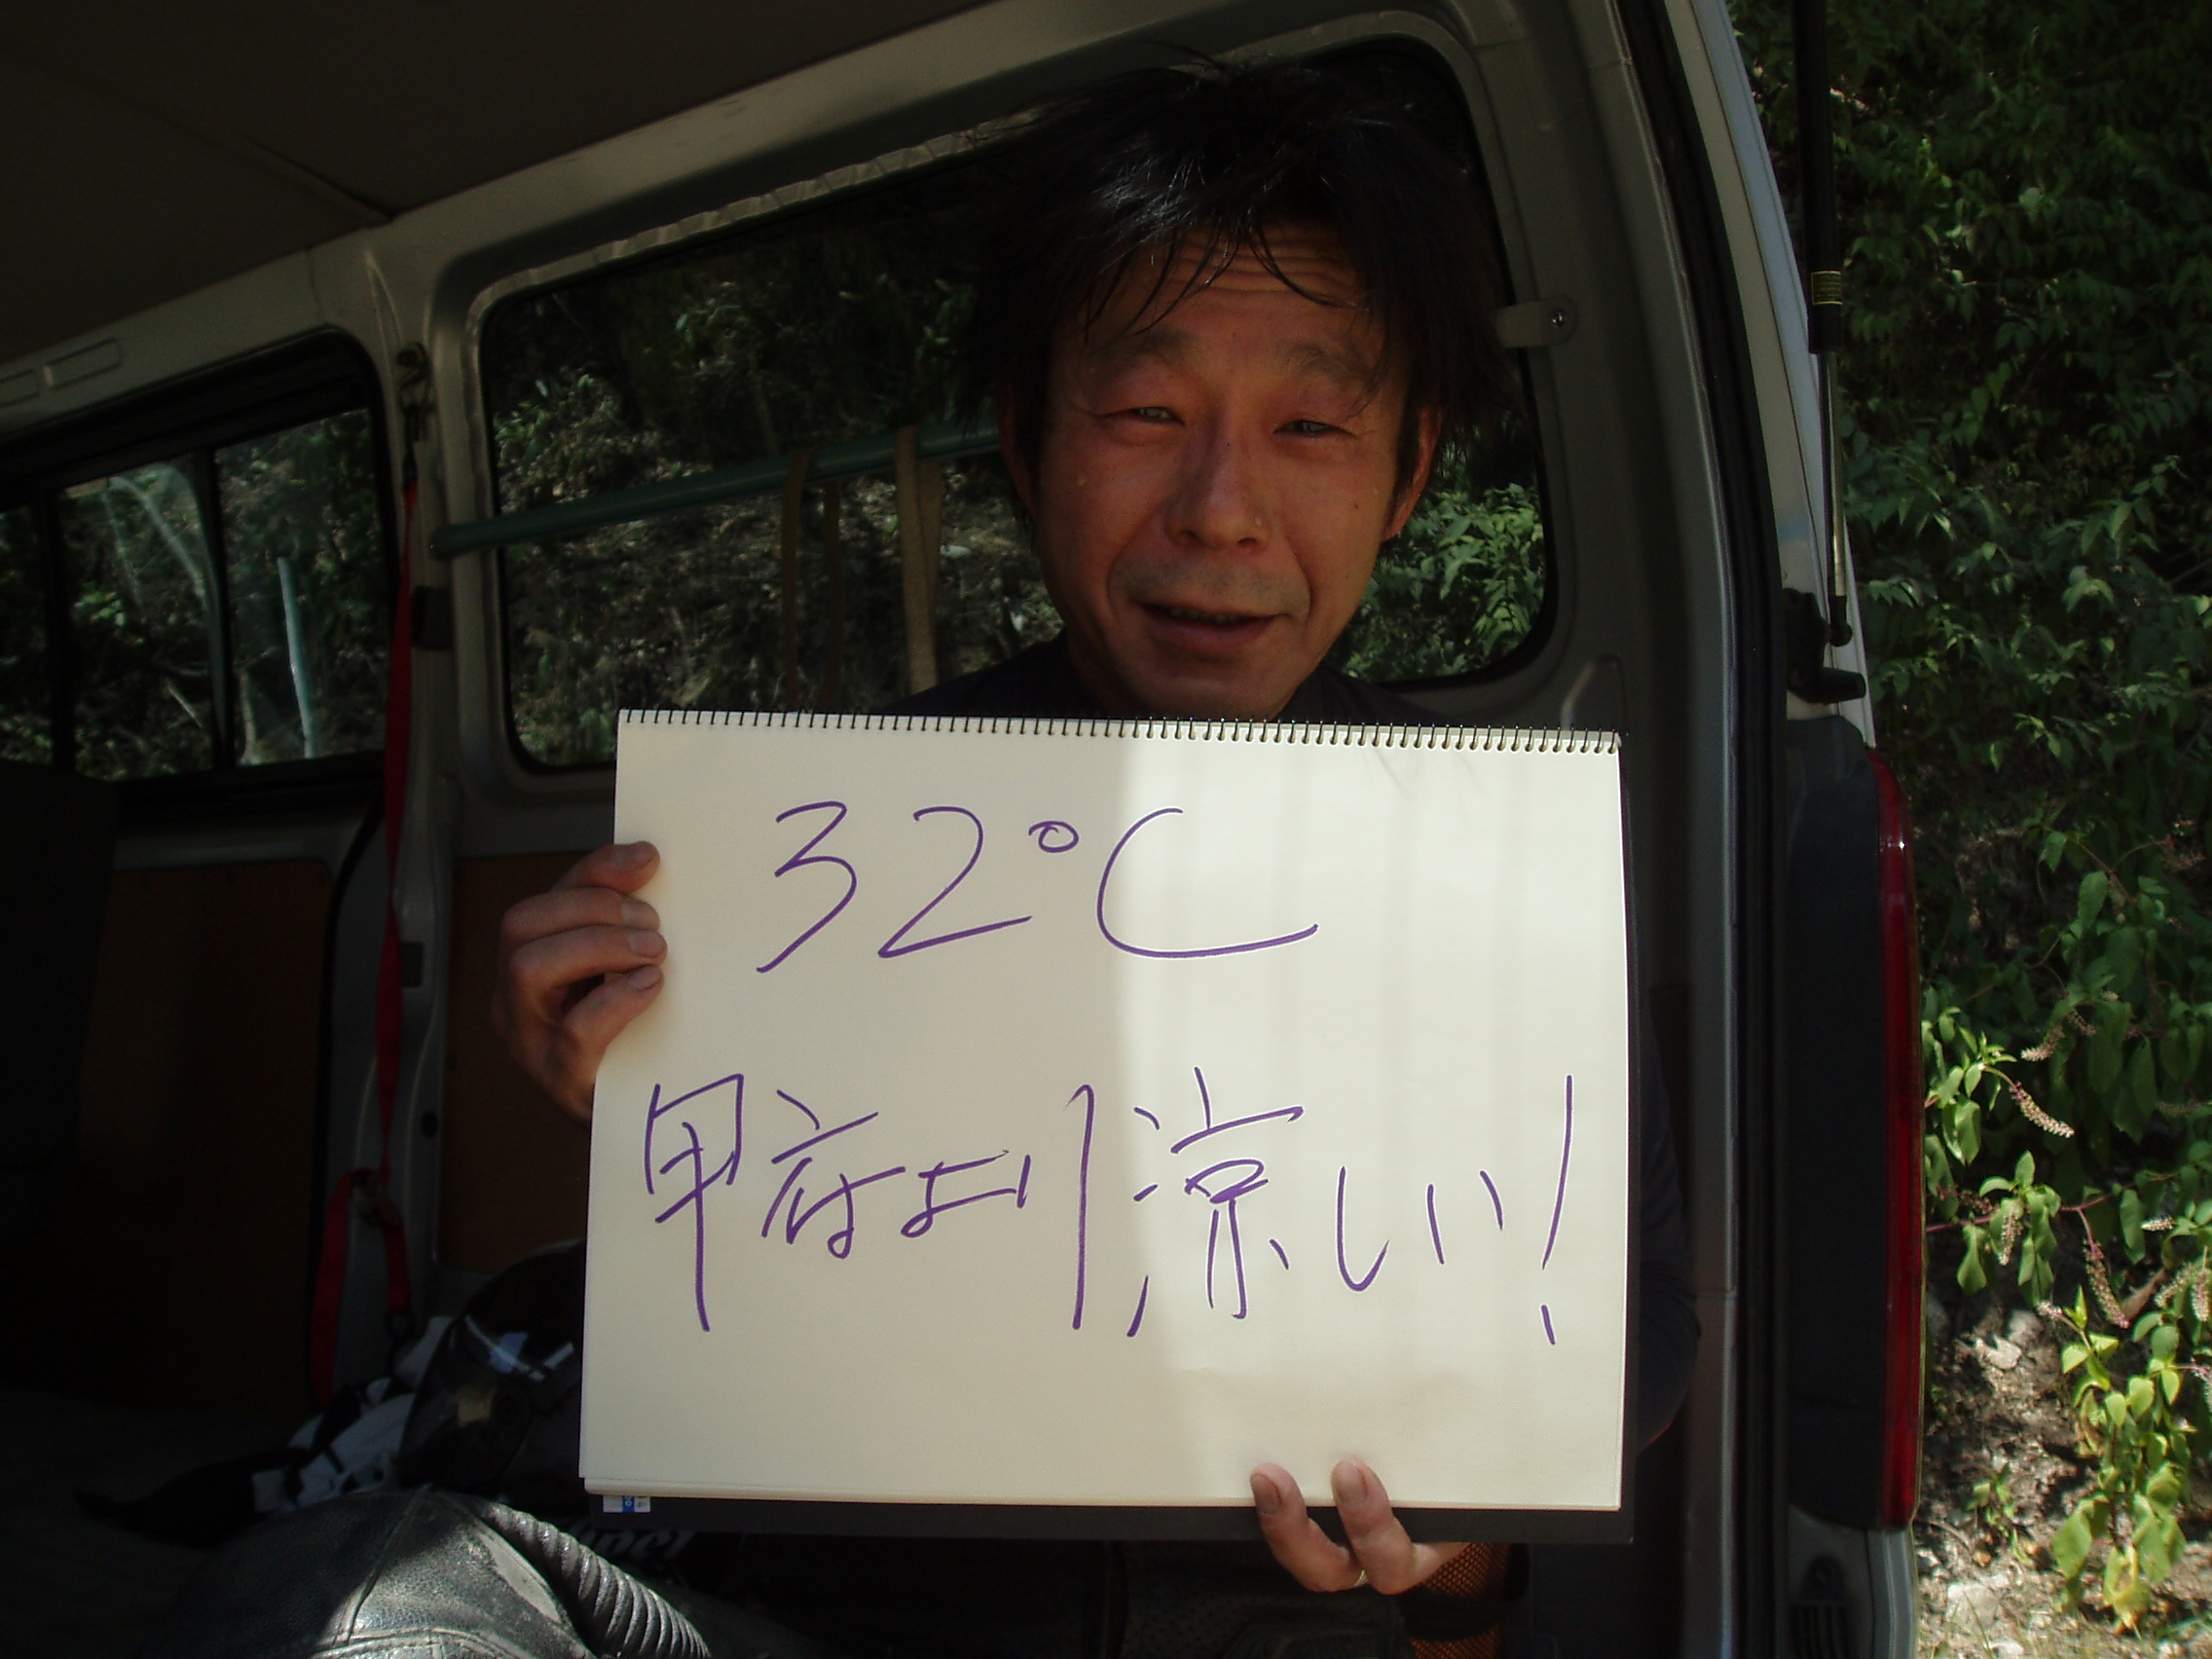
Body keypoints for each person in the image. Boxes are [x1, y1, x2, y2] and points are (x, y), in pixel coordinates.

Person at [493, 59, 1697, 1656]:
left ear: (1409, 474)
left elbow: (1640, 1320)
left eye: (1311, 425)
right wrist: (641, 1075)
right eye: (1145, 414)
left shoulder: (1501, 878)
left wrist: (1467, 1538)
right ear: (1026, 441)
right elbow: (736, 1291)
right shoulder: (814, 863)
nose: (1222, 510)